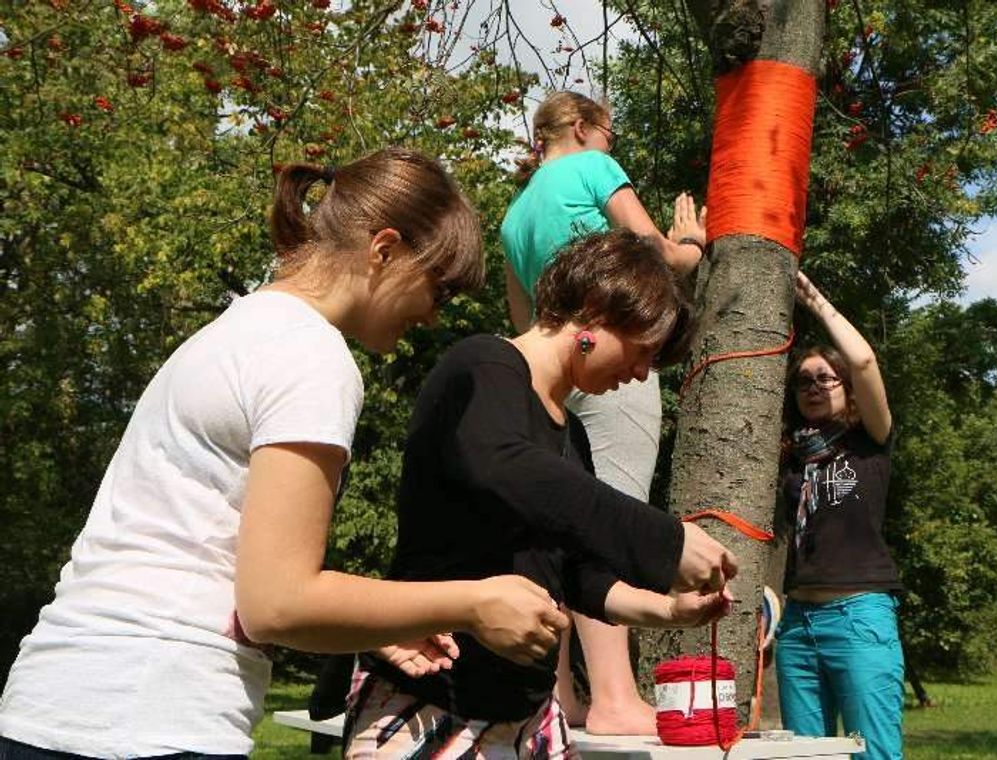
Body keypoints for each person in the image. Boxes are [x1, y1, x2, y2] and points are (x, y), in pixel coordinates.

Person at [0, 149, 572, 760]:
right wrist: (474, 601)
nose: (434, 315)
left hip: (53, 704)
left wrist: (384, 625)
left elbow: (214, 560)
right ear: (383, 250)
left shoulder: (235, 331)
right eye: (437, 287)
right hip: (151, 714)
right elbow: (277, 604)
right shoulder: (312, 357)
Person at [347, 230, 737, 758]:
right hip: (428, 708)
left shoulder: (571, 434)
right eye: (642, 350)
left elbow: (577, 574)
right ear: (596, 311)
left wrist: (668, 610)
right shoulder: (483, 366)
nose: (642, 372)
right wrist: (666, 543)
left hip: (527, 717)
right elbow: (505, 467)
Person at [499, 90, 706, 735]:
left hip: (554, 368)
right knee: (607, 517)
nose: (612, 146)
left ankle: (558, 695)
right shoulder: (591, 168)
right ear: (585, 128)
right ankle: (616, 698)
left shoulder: (512, 214)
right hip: (610, 359)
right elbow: (652, 253)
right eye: (610, 133)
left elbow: (519, 317)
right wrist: (692, 247)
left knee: (551, 528)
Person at [775, 272, 904, 760]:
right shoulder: (793, 457)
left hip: (860, 616)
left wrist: (817, 304)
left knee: (875, 753)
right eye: (803, 381)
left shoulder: (870, 440)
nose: (812, 387)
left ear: (846, 388)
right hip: (798, 625)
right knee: (808, 756)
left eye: (824, 378)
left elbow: (865, 360)